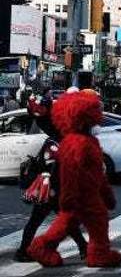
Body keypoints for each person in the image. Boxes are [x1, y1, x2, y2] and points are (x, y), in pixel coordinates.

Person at [27, 89, 121, 268]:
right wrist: (69, 197)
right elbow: (70, 173)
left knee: (71, 222)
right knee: (94, 221)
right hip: (83, 194)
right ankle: (97, 253)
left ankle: (43, 246)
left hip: (87, 193)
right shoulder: (78, 142)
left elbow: (98, 172)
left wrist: (106, 193)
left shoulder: (85, 141)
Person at [14, 94, 87, 262]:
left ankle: (83, 247)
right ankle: (23, 251)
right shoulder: (54, 139)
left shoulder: (55, 136)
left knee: (55, 219)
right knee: (54, 219)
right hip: (50, 187)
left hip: (52, 185)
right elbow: (51, 165)